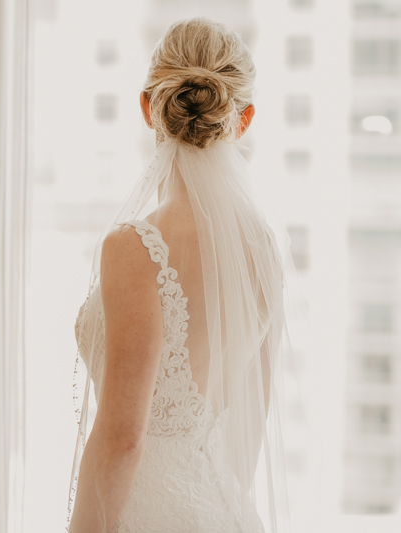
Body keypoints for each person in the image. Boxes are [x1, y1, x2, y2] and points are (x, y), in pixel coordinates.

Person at [68, 17, 295, 533]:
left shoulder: (134, 247)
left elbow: (123, 438)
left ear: (149, 107)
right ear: (244, 118)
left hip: (143, 513)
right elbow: (250, 425)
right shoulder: (263, 250)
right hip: (222, 508)